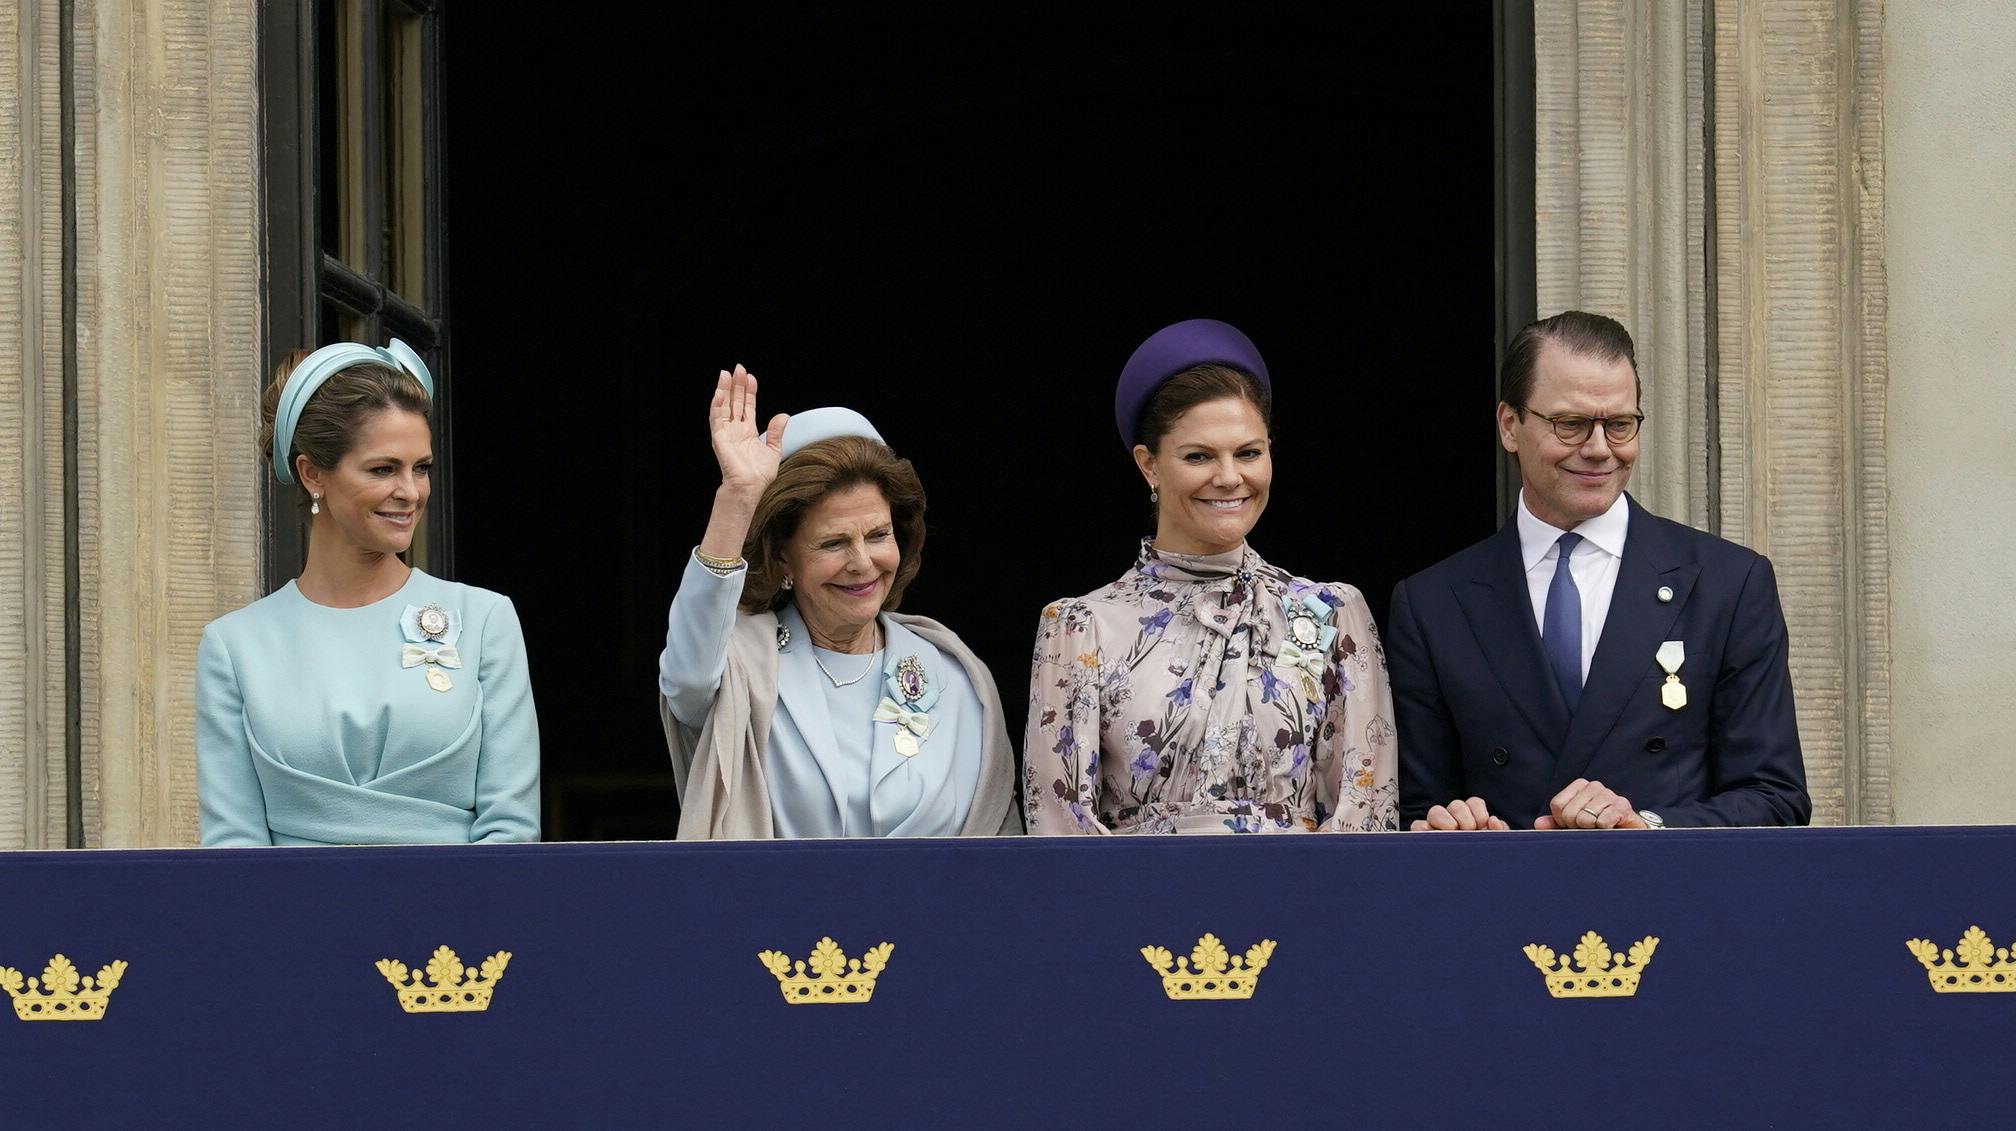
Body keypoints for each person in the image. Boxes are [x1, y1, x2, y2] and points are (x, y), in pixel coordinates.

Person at [1388, 311, 1810, 831]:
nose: (1598, 449)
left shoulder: (1728, 583)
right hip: (1508, 902)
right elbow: (1414, 808)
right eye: (1570, 425)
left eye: (1619, 424)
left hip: (1666, 901)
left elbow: (1775, 797)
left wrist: (1649, 826)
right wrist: (1451, 829)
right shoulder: (1433, 603)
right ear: (1509, 426)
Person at [1025, 319, 1398, 834]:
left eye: (1249, 452)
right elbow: (1061, 832)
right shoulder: (1079, 627)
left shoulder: (1330, 612)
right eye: (1199, 456)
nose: (1229, 477)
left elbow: (1365, 816)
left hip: (1301, 907)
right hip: (1139, 909)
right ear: (1149, 465)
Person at [198, 341, 541, 845]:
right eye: (383, 469)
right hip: (293, 920)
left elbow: (510, 829)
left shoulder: (486, 619)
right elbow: (233, 848)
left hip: (459, 916)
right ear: (312, 473)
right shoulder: (235, 646)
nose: (411, 491)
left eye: (420, 467)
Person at [658, 365, 1020, 839]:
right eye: (832, 543)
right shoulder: (744, 665)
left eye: (877, 535)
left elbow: (1003, 852)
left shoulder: (955, 675)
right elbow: (685, 680)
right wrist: (739, 499)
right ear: (784, 557)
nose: (862, 562)